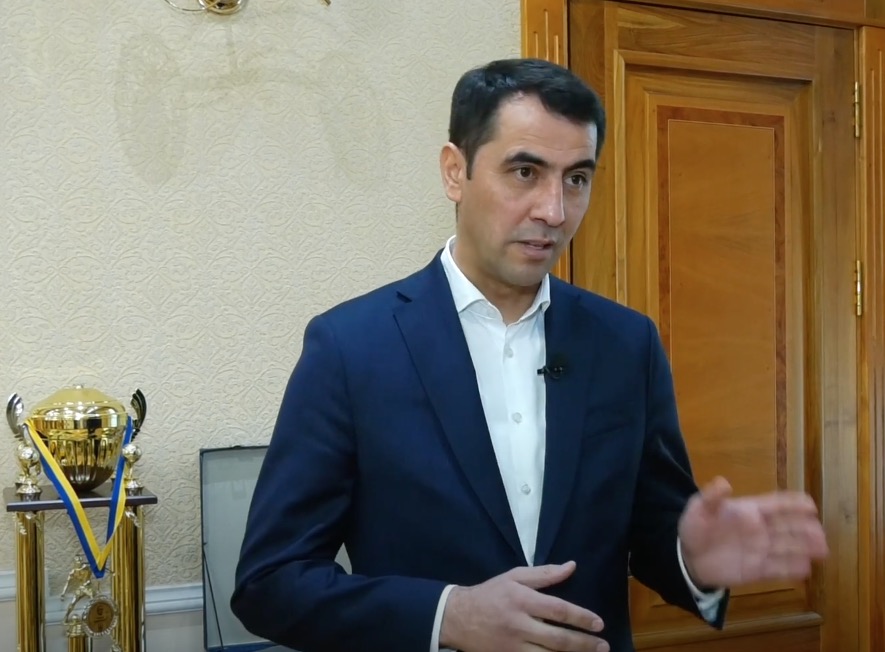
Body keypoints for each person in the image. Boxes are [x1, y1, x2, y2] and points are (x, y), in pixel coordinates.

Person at [231, 57, 828, 652]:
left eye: (577, 179)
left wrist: (693, 559)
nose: (554, 211)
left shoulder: (626, 344)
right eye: (525, 172)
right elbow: (270, 581)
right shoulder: (350, 348)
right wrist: (448, 616)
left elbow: (652, 533)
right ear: (455, 172)